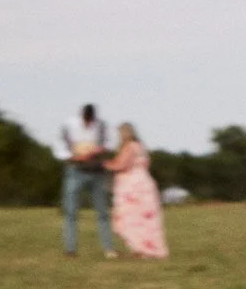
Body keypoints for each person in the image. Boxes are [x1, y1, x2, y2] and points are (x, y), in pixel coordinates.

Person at [59, 105, 116, 258]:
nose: (89, 123)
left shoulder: (102, 126)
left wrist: (99, 149)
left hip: (97, 172)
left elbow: (110, 144)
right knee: (71, 211)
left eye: (91, 120)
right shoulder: (69, 125)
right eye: (86, 120)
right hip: (75, 170)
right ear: (81, 115)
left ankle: (108, 248)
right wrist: (75, 157)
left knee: (102, 211)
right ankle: (70, 249)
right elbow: (60, 147)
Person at [106, 123, 169, 259]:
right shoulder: (141, 147)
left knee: (130, 217)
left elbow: (121, 164)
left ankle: (141, 248)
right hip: (145, 183)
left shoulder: (129, 147)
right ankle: (147, 248)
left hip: (132, 187)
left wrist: (104, 165)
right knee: (145, 219)